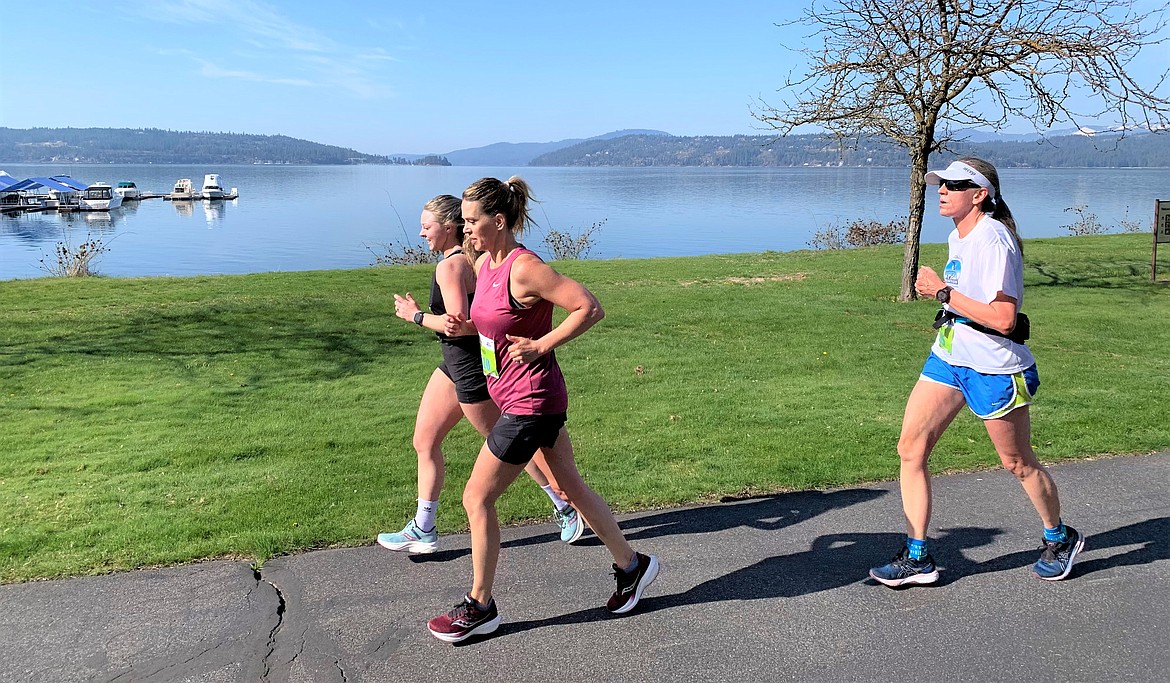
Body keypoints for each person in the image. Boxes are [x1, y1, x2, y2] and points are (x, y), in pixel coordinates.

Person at [425, 177, 660, 643]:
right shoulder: (486, 264)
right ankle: (632, 566)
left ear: (499, 220)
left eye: (472, 222)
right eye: (463, 222)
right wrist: (424, 317)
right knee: (569, 483)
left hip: (533, 401)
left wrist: (542, 344)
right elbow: (484, 326)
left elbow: (588, 307)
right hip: (516, 395)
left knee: (477, 498)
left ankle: (480, 606)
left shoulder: (524, 267)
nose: (464, 228)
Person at [869, 158, 1084, 587]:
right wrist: (947, 300)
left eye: (953, 185)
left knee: (1017, 462)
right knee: (910, 449)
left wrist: (942, 291)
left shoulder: (994, 240)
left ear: (980, 194)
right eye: (939, 184)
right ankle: (918, 555)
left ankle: (1060, 537)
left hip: (993, 367)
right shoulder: (957, 236)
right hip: (950, 357)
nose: (942, 191)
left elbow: (1004, 318)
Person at [377, 195, 584, 555]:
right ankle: (423, 527)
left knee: (509, 448)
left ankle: (565, 506)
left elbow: (457, 325)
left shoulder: (451, 267)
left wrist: (414, 315)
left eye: (427, 226)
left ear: (448, 227)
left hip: (471, 372)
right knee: (424, 441)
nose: (422, 232)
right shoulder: (473, 260)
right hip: (453, 367)